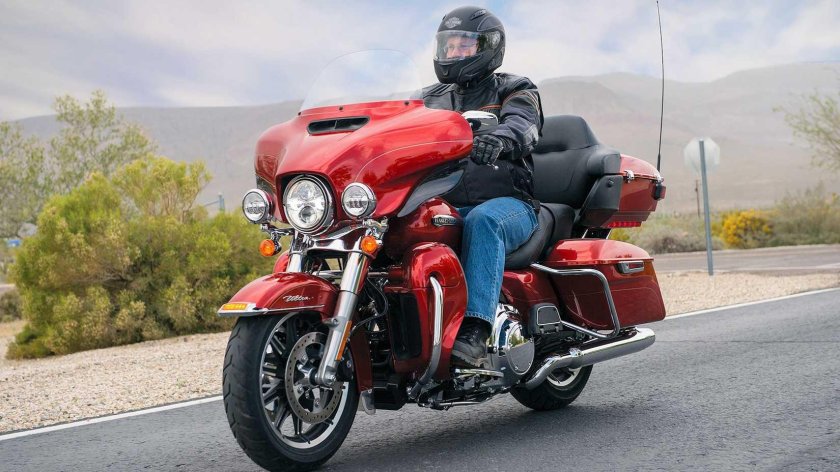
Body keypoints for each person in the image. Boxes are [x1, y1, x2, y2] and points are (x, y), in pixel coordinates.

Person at [422, 5, 544, 367]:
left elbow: (524, 125)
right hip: (445, 204)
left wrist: (501, 139)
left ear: (489, 47)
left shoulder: (515, 88)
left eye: (465, 46)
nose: (455, 54)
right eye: (450, 46)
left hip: (509, 205)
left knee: (483, 221)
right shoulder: (429, 98)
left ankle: (476, 328)